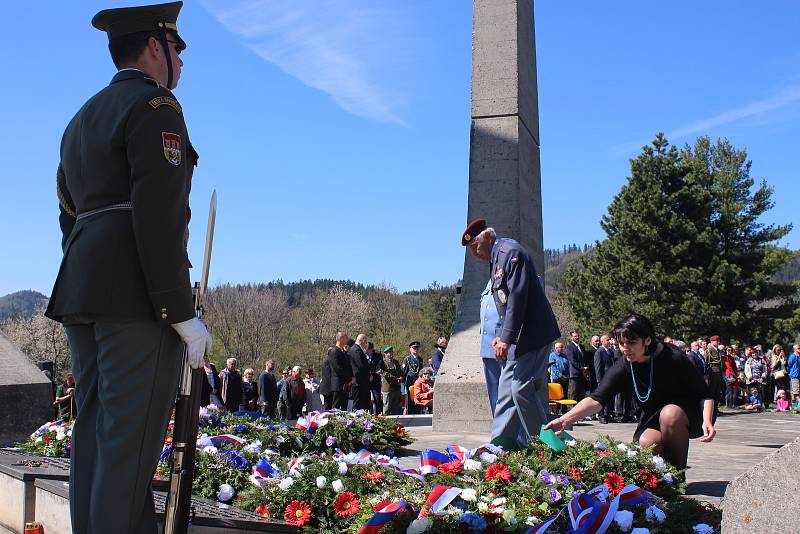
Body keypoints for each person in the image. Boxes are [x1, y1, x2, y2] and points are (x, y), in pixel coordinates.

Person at [42, 4, 214, 533]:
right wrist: (179, 311)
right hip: (138, 297)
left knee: (94, 437)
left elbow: (69, 219)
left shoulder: (80, 119)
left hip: (84, 290)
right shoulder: (157, 105)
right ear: (155, 47)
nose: (182, 61)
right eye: (177, 48)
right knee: (129, 444)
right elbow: (159, 217)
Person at [546, 313, 716, 470]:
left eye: (631, 343)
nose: (625, 348)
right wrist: (564, 420)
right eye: (621, 343)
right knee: (646, 442)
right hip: (653, 415)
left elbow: (704, 394)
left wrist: (707, 421)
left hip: (687, 412)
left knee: (670, 414)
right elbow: (597, 399)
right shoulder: (625, 364)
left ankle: (678, 474)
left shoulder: (673, 356)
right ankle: (664, 477)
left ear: (647, 340)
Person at [462, 218, 561, 449]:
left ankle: (546, 444)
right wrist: (500, 335)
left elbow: (517, 297)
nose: (475, 253)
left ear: (487, 237)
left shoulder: (509, 252)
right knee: (506, 394)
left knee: (520, 388)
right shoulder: (496, 259)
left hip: (533, 336)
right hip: (518, 338)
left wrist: (506, 338)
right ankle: (499, 447)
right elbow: (504, 306)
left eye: (475, 246)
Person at [479, 279, 504, 415]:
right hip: (488, 348)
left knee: (511, 398)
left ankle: (519, 436)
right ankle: (500, 434)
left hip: (503, 347)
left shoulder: (512, 273)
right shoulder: (490, 280)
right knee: (495, 398)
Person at [320, 332, 354, 410]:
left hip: (344, 385)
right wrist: (348, 378)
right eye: (346, 338)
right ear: (341, 339)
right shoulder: (334, 351)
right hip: (337, 385)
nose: (347, 341)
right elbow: (338, 368)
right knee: (335, 409)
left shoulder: (342, 352)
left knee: (343, 409)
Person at [593, 335, 615, 423]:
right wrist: (599, 380)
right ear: (602, 342)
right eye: (607, 340)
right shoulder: (599, 352)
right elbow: (598, 367)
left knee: (610, 397)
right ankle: (601, 415)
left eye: (609, 339)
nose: (609, 341)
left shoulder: (611, 351)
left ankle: (608, 414)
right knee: (602, 398)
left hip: (611, 378)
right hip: (603, 379)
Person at [348, 334, 372, 411]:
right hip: (359, 382)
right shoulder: (356, 350)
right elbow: (361, 365)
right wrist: (368, 374)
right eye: (366, 341)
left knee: (362, 404)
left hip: (361, 382)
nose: (366, 343)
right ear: (362, 340)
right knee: (358, 405)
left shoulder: (358, 349)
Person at [402, 341, 424, 415]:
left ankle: (417, 412)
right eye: (414, 348)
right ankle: (410, 413)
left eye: (417, 348)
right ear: (410, 349)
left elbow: (421, 371)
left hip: (417, 381)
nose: (416, 349)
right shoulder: (407, 359)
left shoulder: (420, 359)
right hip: (410, 381)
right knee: (410, 398)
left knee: (418, 396)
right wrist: (404, 382)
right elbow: (404, 372)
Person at [565, 331, 587, 403]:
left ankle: (581, 411)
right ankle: (572, 411)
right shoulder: (570, 347)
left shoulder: (582, 347)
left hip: (583, 374)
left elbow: (584, 359)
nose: (577, 337)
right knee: (574, 394)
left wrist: (586, 368)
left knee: (582, 394)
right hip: (575, 374)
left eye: (578, 336)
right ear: (571, 337)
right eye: (575, 336)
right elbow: (573, 360)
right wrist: (582, 368)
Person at [381, 345, 403, 415]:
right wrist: (395, 379)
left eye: (392, 352)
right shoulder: (383, 362)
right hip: (388, 389)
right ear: (385, 354)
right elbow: (384, 373)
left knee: (396, 409)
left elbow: (400, 371)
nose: (391, 354)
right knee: (386, 408)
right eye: (389, 352)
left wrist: (401, 377)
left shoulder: (396, 362)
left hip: (396, 388)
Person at [704, 336, 724, 406]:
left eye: (718, 340)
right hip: (713, 372)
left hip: (718, 373)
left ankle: (715, 408)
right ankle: (711, 408)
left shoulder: (718, 350)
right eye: (716, 341)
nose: (718, 342)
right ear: (712, 342)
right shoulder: (709, 350)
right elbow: (706, 362)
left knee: (717, 392)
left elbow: (721, 361)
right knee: (712, 391)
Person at [368, 343, 386, 415]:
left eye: (371, 350)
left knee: (377, 398)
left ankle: (378, 414)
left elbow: (381, 365)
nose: (370, 352)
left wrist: (380, 370)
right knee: (366, 398)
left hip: (375, 378)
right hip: (366, 379)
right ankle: (368, 414)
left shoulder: (377, 354)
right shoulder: (362, 353)